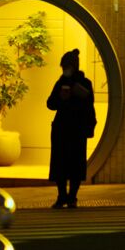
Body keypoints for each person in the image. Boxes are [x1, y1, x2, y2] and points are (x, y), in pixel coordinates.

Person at [46, 48, 97, 208]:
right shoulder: (60, 83)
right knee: (61, 164)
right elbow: (50, 103)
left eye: (66, 67)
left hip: (75, 129)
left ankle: (71, 196)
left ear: (73, 66)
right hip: (63, 129)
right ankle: (63, 196)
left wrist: (78, 95)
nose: (64, 70)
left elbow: (89, 104)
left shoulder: (84, 83)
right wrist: (61, 98)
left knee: (74, 164)